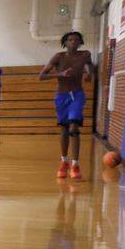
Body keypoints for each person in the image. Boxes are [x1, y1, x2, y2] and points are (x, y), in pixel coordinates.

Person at [40, 31, 94, 179]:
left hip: (77, 94)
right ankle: (64, 161)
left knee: (74, 127)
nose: (73, 42)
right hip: (61, 96)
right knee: (64, 129)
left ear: (80, 42)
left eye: (76, 40)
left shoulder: (85, 55)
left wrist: (90, 74)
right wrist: (60, 74)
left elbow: (90, 65)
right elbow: (42, 76)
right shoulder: (59, 57)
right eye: (70, 40)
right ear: (65, 42)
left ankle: (75, 164)